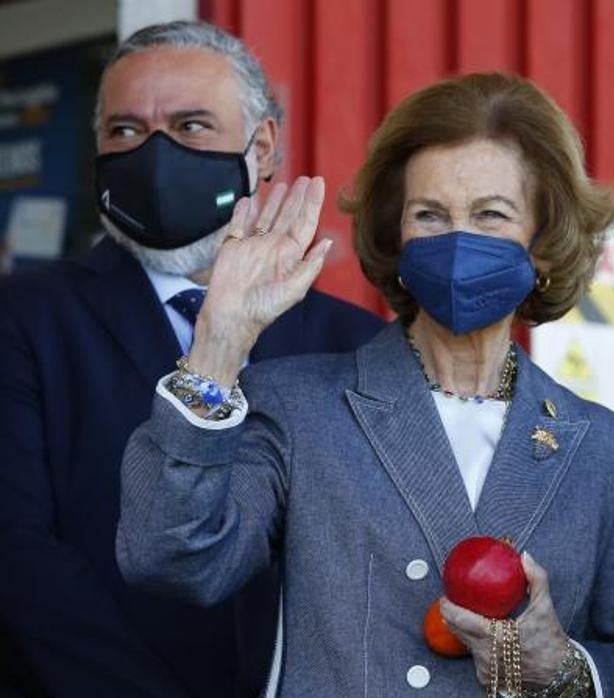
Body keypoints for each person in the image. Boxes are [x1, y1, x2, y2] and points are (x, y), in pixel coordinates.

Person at [114, 72, 614, 697]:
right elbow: (170, 557)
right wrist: (219, 344)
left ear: (542, 245)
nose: (459, 240)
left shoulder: (606, 451)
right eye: (430, 215)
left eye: (491, 215)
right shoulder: (299, 407)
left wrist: (566, 670)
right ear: (397, 237)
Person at [0, 21, 383, 697]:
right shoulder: (25, 320)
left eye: (190, 125)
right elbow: (18, 559)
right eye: (124, 131)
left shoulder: (352, 347)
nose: (153, 154)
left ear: (261, 147)